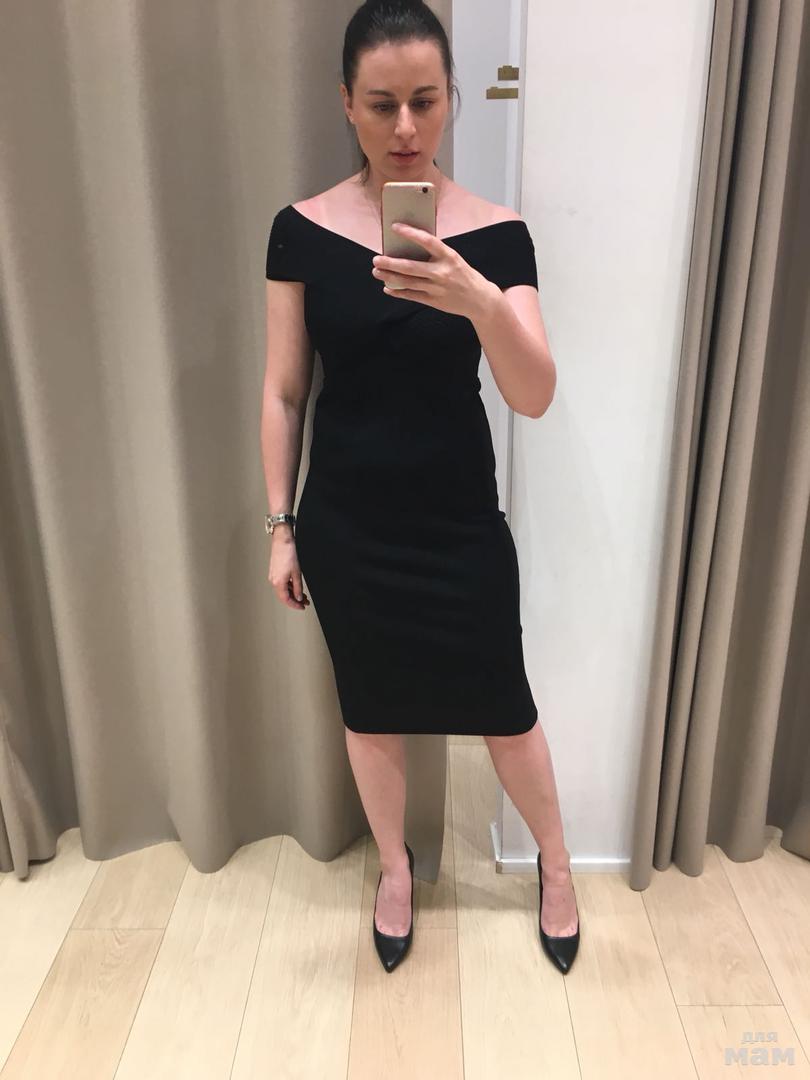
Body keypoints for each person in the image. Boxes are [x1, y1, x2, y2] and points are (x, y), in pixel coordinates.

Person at [261, 0, 579, 975]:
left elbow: (533, 394)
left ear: (450, 101)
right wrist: (281, 526)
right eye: (382, 104)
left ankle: (557, 864)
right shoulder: (301, 231)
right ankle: (395, 871)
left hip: (458, 521)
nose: (406, 127)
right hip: (347, 526)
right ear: (346, 104)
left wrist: (476, 298)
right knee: (370, 707)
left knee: (505, 705)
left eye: (426, 101)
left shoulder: (499, 234)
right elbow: (283, 391)